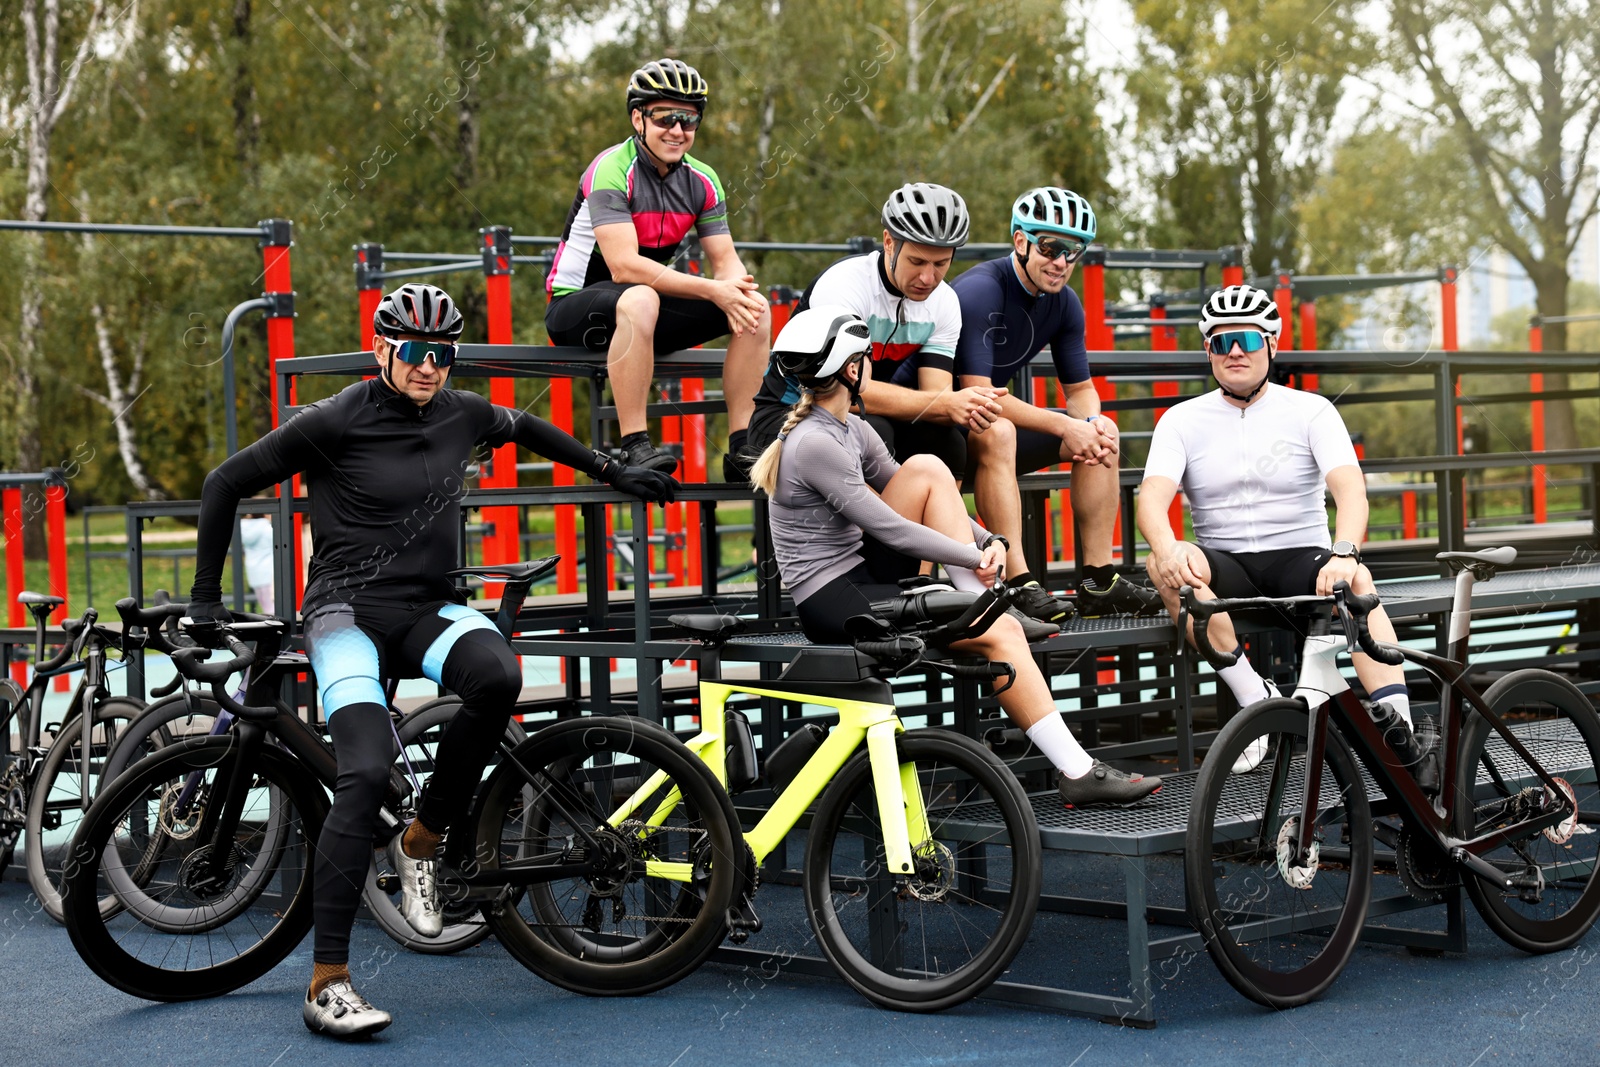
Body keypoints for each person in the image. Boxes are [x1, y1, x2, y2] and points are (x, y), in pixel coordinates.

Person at [186, 283, 678, 1037]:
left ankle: (423, 836)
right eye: (414, 353)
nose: (429, 367)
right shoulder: (333, 420)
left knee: (499, 675)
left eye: (443, 355)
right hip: (345, 612)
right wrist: (205, 599)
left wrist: (613, 471)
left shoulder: (462, 413)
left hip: (425, 606)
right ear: (381, 349)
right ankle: (328, 981)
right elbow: (224, 481)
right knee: (361, 772)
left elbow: (532, 427)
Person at [751, 306, 1161, 809]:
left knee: (926, 466)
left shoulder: (851, 429)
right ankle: (1075, 765)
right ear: (852, 370)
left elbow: (917, 489)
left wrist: (988, 539)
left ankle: (985, 604)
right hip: (832, 601)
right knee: (1000, 629)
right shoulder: (815, 441)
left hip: (861, 576)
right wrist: (972, 552)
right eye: (866, 359)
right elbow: (890, 528)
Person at [1135, 284, 1416, 773]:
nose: (1236, 351)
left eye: (1246, 339)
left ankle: (1404, 729)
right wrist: (1168, 547)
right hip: (1224, 562)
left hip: (1298, 557)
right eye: (1222, 342)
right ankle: (1256, 703)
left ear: (1271, 344)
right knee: (1160, 564)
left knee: (1359, 579)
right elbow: (1152, 502)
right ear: (1209, 351)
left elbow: (1351, 492)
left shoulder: (1311, 410)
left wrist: (1345, 552)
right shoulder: (1180, 420)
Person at [545, 58, 770, 478]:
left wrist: (734, 292)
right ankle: (635, 444)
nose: (677, 130)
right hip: (575, 307)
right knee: (642, 295)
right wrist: (711, 290)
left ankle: (743, 446)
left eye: (689, 120)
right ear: (638, 117)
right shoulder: (612, 168)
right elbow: (624, 266)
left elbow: (726, 264)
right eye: (666, 117)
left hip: (641, 311)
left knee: (754, 306)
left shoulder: (704, 181)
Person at [951, 187, 1162, 621]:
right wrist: (1065, 426)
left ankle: (1100, 582)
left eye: (1074, 251)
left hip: (989, 433)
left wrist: (1088, 422)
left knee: (1104, 433)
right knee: (997, 427)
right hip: (941, 434)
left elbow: (1080, 389)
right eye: (1050, 247)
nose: (1062, 262)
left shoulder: (1065, 303)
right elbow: (980, 394)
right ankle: (1017, 582)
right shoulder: (980, 290)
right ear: (1020, 241)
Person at [744, 183, 1010, 484]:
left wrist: (968, 404)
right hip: (788, 414)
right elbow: (853, 390)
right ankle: (889, 532)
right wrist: (946, 403)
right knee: (873, 436)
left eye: (941, 264)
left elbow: (936, 397)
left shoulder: (945, 302)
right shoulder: (844, 285)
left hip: (858, 415)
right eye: (917, 261)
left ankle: (944, 531)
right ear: (889, 242)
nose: (928, 277)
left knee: (945, 443)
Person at [239, 509, 274, 615]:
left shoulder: (243, 528)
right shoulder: (268, 528)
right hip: (269, 570)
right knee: (273, 606)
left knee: (265, 605)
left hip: (253, 571)